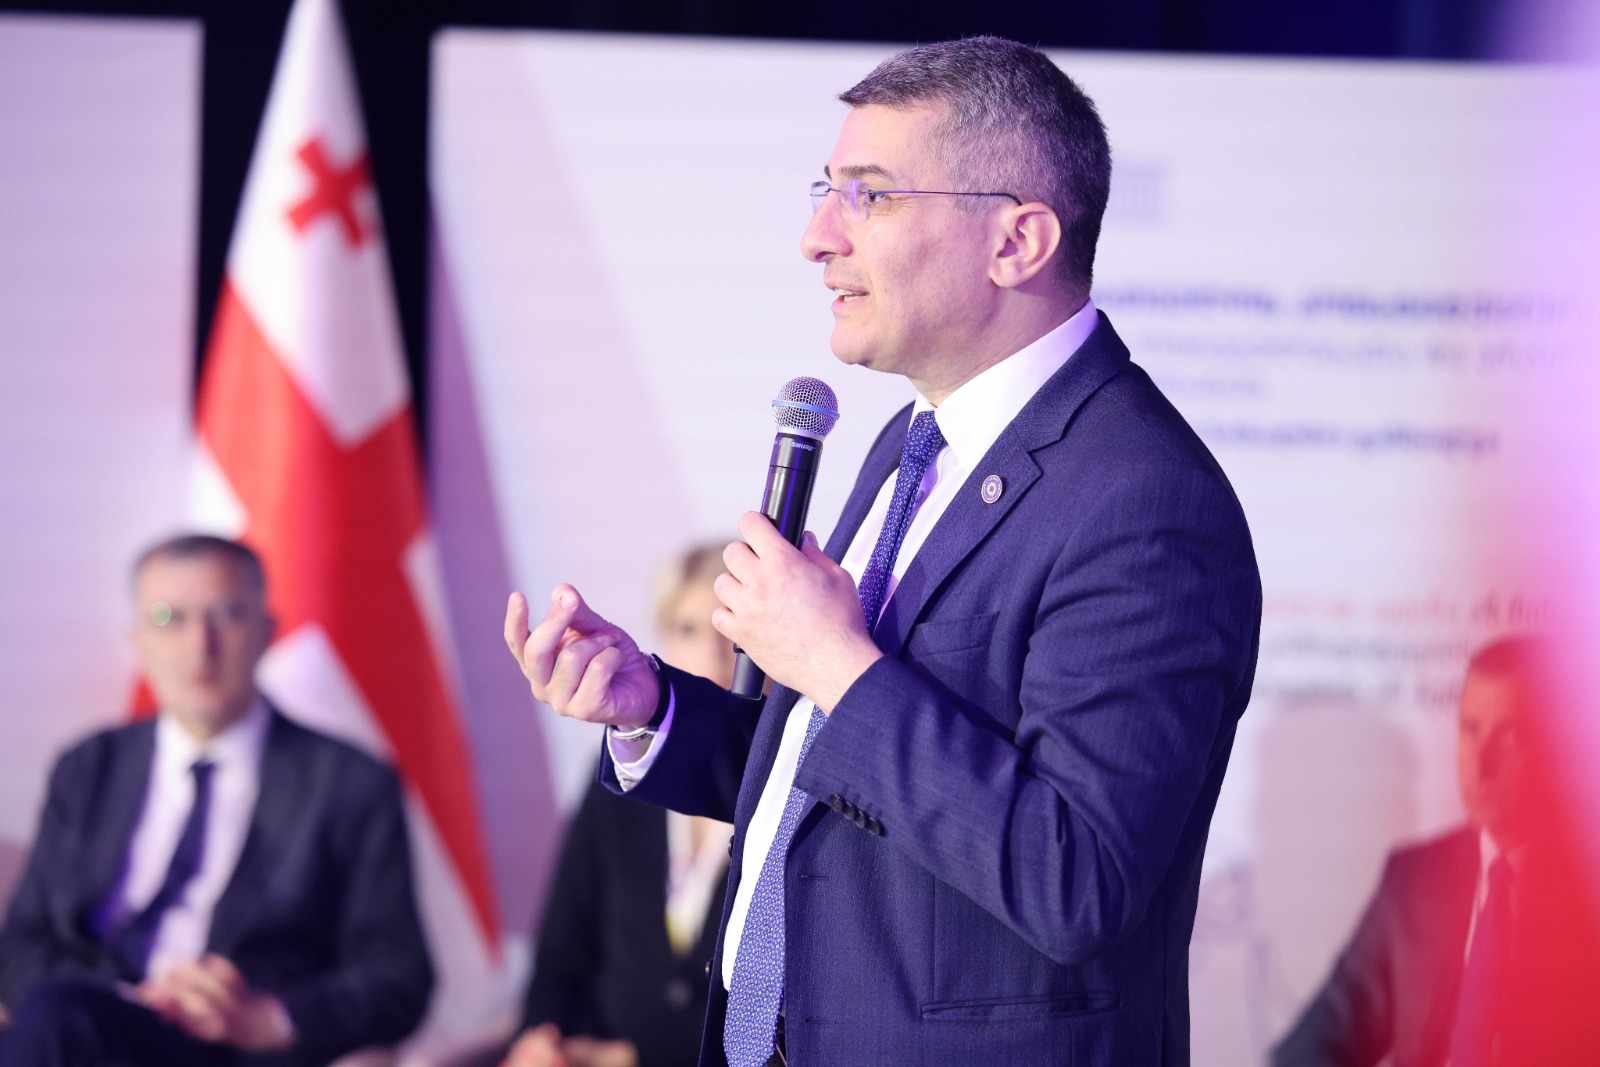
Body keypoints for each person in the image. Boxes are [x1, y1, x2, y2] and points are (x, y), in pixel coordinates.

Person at [505, 36, 1261, 1066]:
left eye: (869, 196)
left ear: (1017, 240)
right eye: (827, 190)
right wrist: (653, 709)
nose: (817, 237)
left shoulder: (1143, 501)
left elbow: (1075, 875)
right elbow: (831, 782)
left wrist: (833, 660)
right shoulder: (912, 442)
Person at [0, 534, 433, 1067]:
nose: (199, 646)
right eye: (170, 619)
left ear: (267, 632)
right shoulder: (88, 769)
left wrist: (268, 1018)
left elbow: (399, 977)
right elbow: (22, 943)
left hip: (234, 1049)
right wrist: (134, 999)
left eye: (227, 615)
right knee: (57, 1019)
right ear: (138, 639)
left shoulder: (348, 782)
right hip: (91, 1022)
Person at [1272, 636, 1598, 1066]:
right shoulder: (1415, 879)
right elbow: (1310, 1048)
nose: (1481, 763)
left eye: (1507, 735)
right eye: (1470, 729)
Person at [503, 545, 735, 1067]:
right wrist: (543, 1036)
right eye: (689, 630)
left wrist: (630, 1058)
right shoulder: (625, 770)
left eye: (731, 633)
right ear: (663, 638)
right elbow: (563, 940)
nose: (713, 655)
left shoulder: (791, 787)